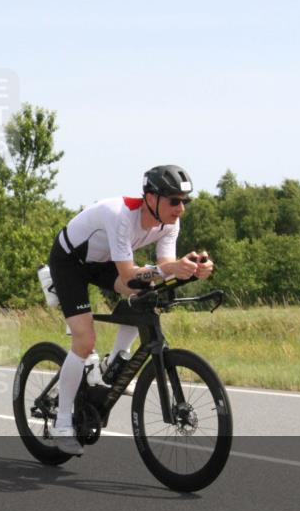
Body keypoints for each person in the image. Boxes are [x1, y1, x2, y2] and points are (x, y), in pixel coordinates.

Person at [47, 165, 214, 455]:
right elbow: (127, 276)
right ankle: (61, 423)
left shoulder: (170, 224)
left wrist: (192, 270)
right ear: (151, 197)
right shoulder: (121, 215)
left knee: (147, 294)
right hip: (71, 261)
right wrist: (168, 269)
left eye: (184, 201)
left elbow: (160, 275)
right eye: (174, 201)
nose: (180, 209)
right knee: (84, 341)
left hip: (104, 261)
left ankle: (116, 361)